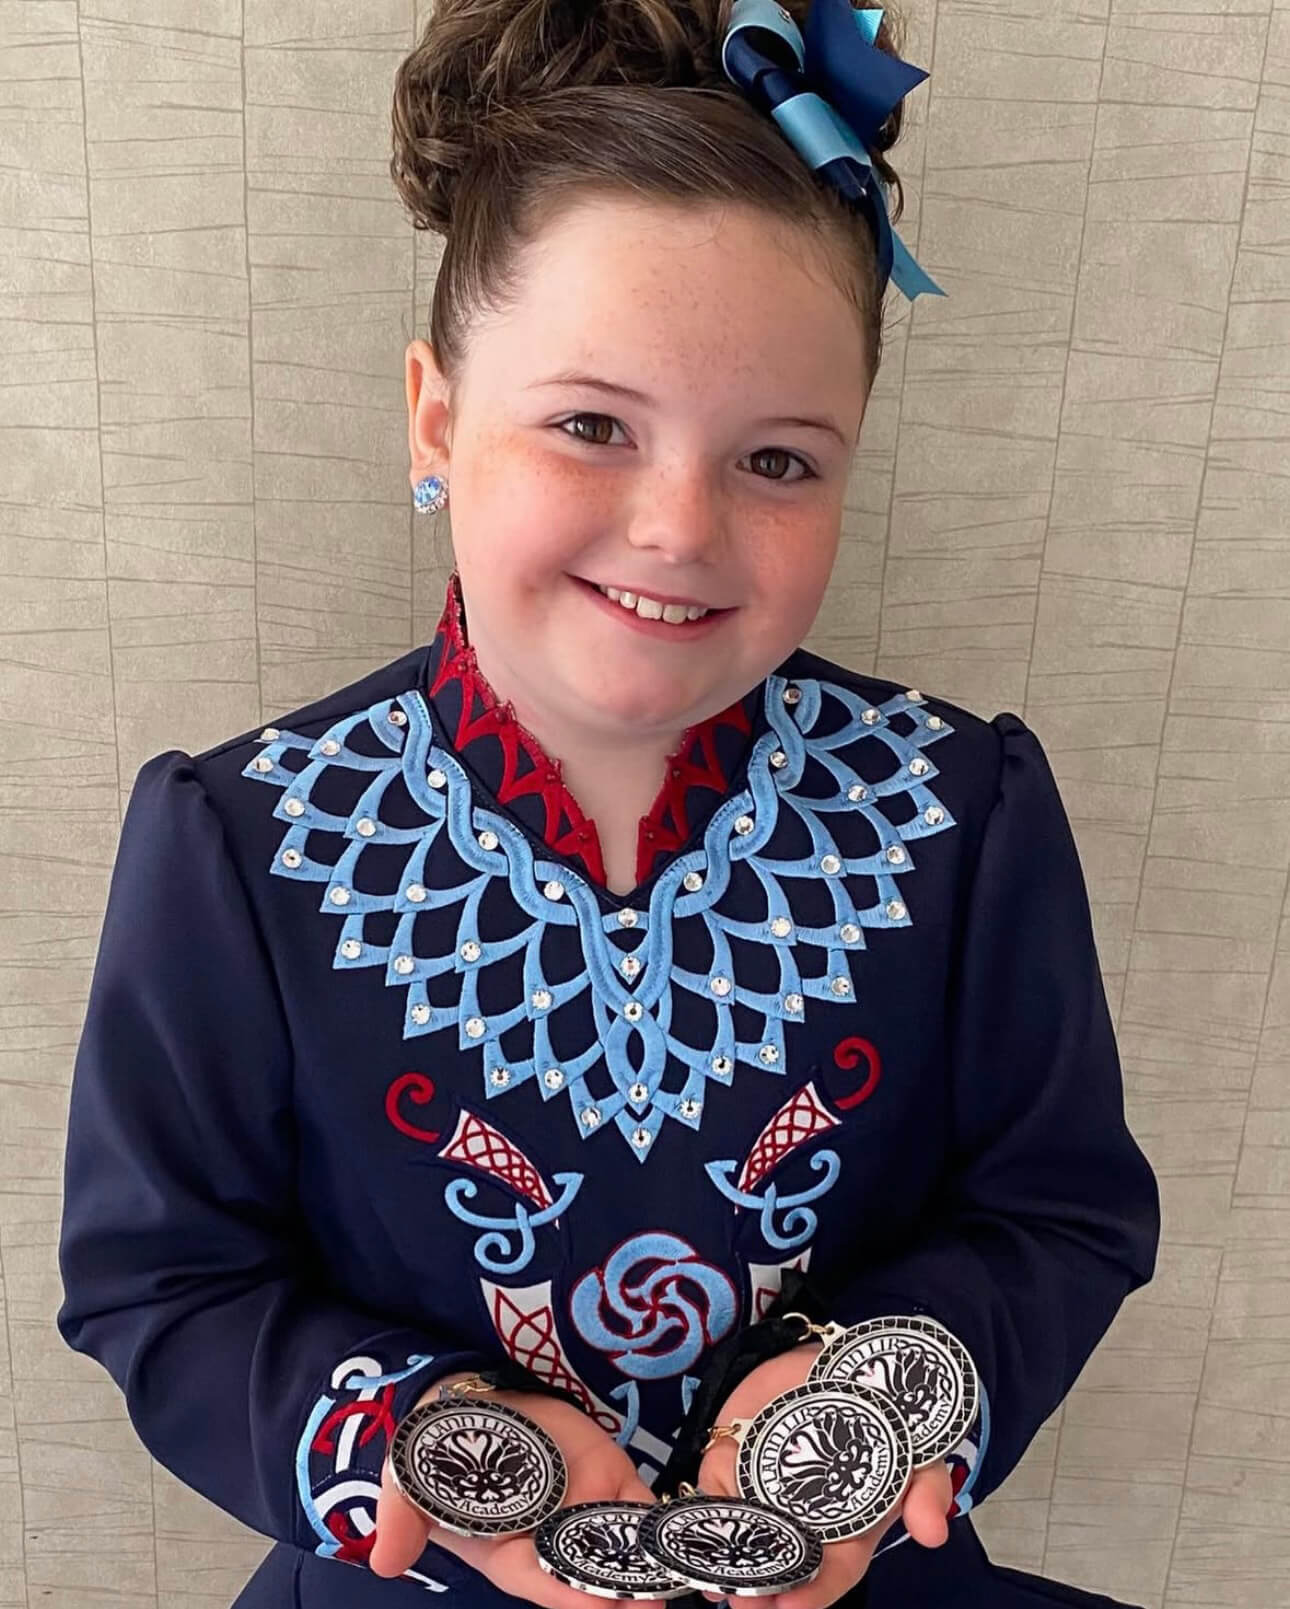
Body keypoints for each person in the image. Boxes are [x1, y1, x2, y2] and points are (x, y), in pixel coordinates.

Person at [54, 3, 1160, 1607]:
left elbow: (1055, 1211)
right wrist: (420, 1430)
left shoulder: (964, 807)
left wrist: (877, 1394)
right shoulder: (238, 840)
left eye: (778, 460)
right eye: (590, 424)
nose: (676, 524)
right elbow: (162, 1282)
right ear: (435, 415)